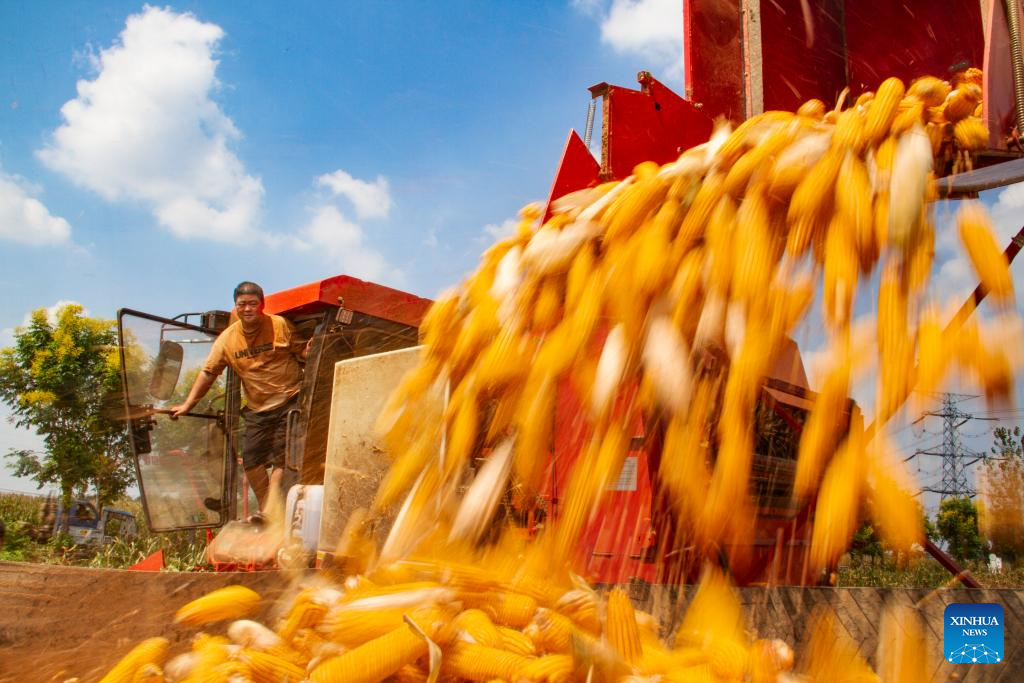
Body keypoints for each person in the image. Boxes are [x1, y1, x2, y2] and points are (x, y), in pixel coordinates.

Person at [171, 281, 309, 520]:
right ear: (236, 306)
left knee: (282, 458)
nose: (247, 309)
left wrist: (312, 349)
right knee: (251, 460)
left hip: (290, 400)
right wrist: (188, 404)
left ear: (262, 305)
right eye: (242, 304)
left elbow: (302, 352)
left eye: (252, 304)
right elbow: (208, 373)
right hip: (257, 408)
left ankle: (268, 511)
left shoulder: (280, 326)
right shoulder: (227, 339)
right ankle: (268, 511)